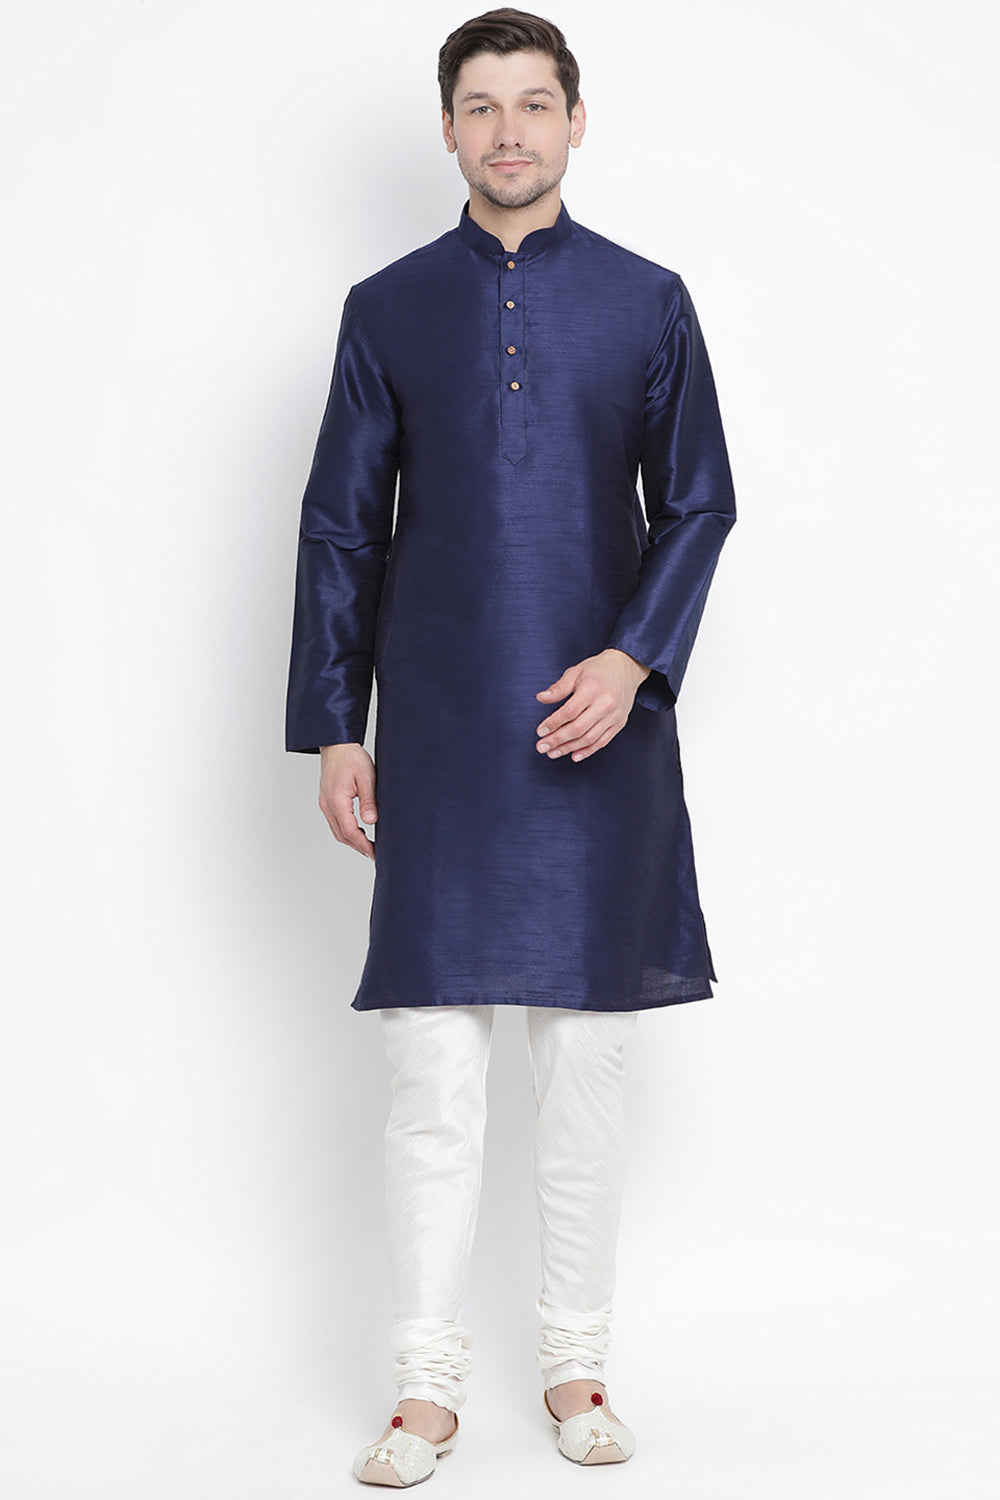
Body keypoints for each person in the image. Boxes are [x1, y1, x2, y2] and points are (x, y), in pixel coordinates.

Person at [285, 7, 737, 1486]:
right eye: (480, 106)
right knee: (432, 1071)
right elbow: (343, 527)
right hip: (438, 731)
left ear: (576, 121)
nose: (509, 132)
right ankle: (425, 1389)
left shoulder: (647, 301)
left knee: (586, 1066)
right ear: (448, 129)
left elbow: (699, 502)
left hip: (599, 730)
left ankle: (575, 1370)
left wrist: (632, 660)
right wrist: (334, 725)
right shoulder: (388, 307)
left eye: (534, 104)